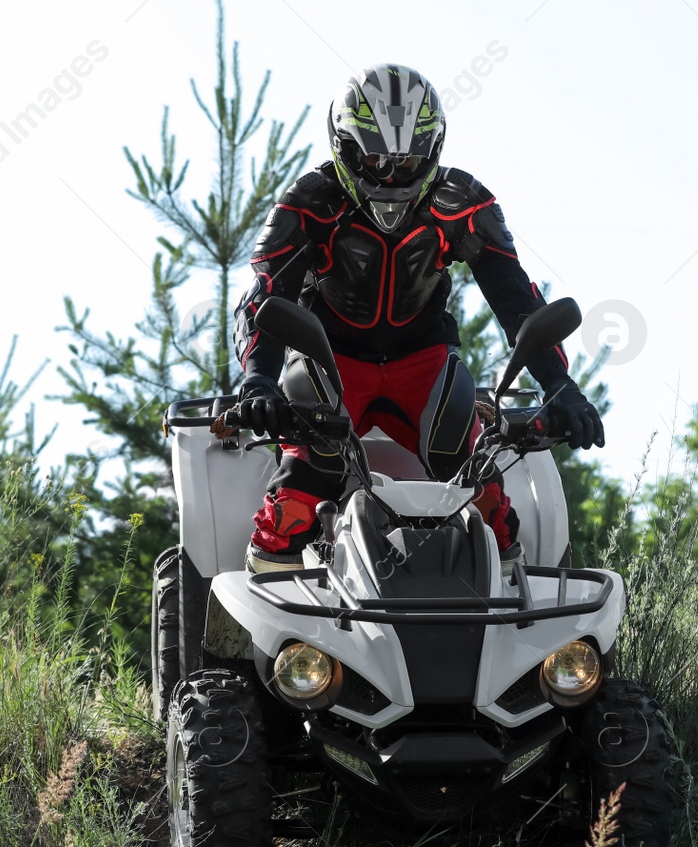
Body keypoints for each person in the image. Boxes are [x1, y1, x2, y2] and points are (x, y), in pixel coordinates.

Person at [232, 63, 604, 571]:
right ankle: (256, 607)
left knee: (484, 487)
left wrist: (562, 386)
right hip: (332, 360)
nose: (389, 173)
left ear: (432, 149)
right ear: (342, 146)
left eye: (406, 160)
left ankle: (512, 596)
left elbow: (518, 301)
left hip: (423, 362)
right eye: (374, 157)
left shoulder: (464, 204)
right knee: (298, 489)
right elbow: (263, 298)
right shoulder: (307, 203)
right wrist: (258, 383)